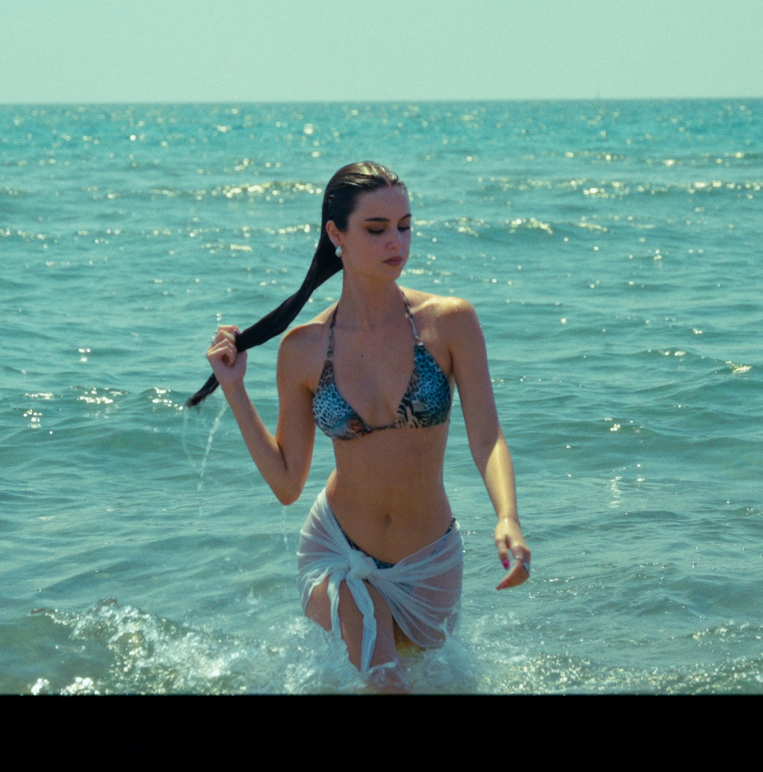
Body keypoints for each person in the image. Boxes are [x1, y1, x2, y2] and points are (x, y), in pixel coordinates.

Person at [191, 161, 530, 691]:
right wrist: (234, 388)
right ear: (336, 234)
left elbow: (487, 438)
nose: (397, 242)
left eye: (405, 226)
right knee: (385, 679)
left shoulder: (449, 323)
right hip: (337, 550)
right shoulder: (303, 348)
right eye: (376, 229)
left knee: (424, 679)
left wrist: (507, 517)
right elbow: (287, 483)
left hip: (429, 560)